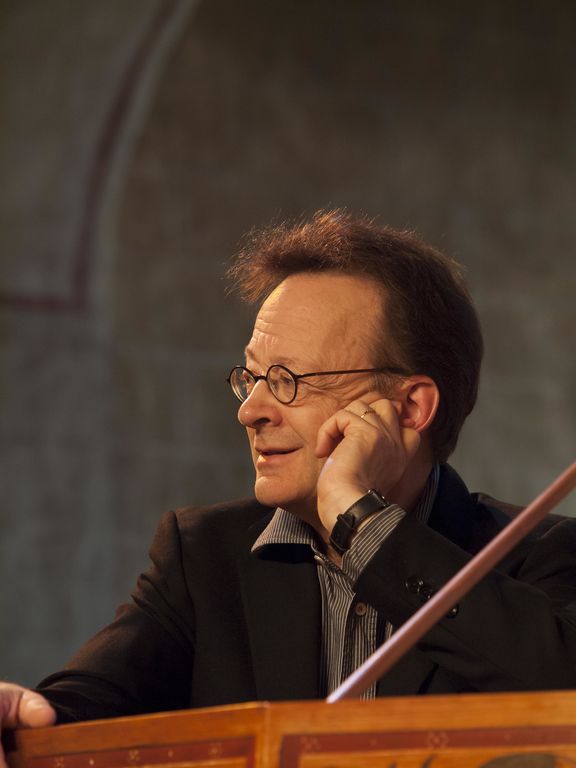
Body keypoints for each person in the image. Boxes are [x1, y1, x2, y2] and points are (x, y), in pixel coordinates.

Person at [1, 210, 576, 754]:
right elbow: (80, 710)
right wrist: (20, 715)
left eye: (288, 380)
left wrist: (360, 520)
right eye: (251, 377)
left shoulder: (540, 556)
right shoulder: (202, 557)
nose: (249, 411)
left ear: (410, 408)